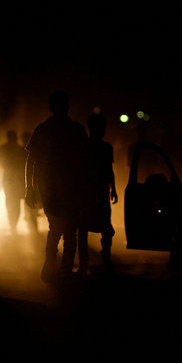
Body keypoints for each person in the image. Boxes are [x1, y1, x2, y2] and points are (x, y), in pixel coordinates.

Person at [25, 91, 88, 282]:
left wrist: (30, 188)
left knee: (57, 229)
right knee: (69, 231)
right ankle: (62, 268)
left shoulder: (44, 129)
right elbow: (86, 161)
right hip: (68, 187)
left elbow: (31, 162)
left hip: (53, 187)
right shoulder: (75, 129)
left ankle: (53, 265)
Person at [78, 114, 118, 274]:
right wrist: (112, 188)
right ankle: (97, 258)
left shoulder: (86, 146)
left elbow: (109, 170)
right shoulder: (100, 147)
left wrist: (113, 188)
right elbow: (108, 170)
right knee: (96, 227)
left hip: (95, 193)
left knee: (86, 228)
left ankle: (88, 260)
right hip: (94, 193)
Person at [0, 129, 27, 235]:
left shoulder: (4, 149)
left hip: (9, 181)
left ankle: (13, 225)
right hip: (16, 181)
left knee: (11, 204)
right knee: (15, 205)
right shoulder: (20, 149)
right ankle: (13, 225)